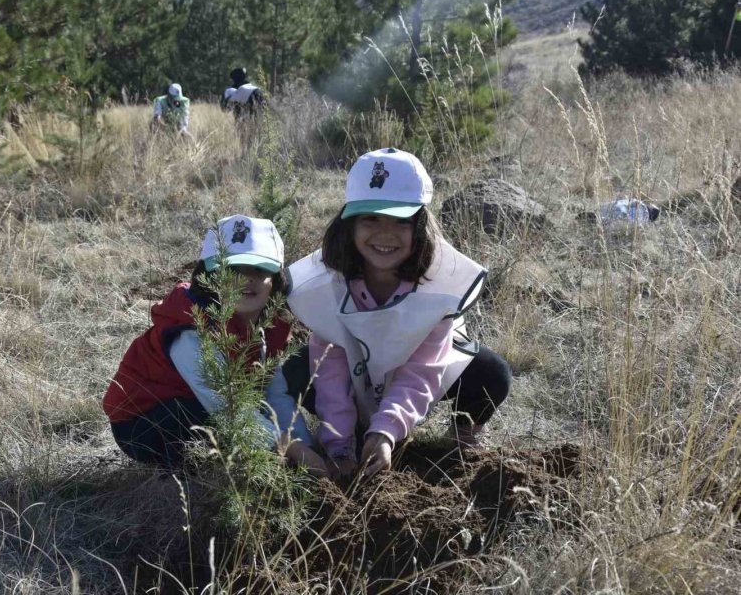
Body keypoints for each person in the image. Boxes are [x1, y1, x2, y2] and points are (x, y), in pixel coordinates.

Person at [286, 148, 512, 479]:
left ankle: (463, 437)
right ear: (348, 224)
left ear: (421, 225)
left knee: (492, 372)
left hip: (418, 374)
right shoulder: (329, 283)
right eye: (371, 218)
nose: (385, 233)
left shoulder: (440, 286)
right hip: (354, 371)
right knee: (294, 372)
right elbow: (330, 368)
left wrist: (386, 432)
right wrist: (339, 445)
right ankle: (332, 435)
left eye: (401, 221)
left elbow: (422, 370)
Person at [103, 215, 326, 474]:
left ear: (275, 280)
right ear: (209, 279)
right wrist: (288, 449)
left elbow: (275, 395)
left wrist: (304, 445)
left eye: (259, 270)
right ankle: (194, 476)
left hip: (208, 404)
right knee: (215, 420)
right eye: (231, 270)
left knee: (257, 406)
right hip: (145, 423)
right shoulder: (190, 327)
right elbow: (223, 405)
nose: (246, 279)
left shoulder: (267, 327)